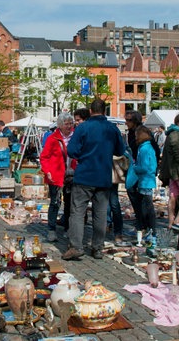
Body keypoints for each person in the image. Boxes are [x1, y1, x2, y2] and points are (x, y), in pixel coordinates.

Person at [64, 99, 125, 260]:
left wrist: (84, 155)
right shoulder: (112, 128)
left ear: (91, 111)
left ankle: (76, 246)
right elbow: (121, 150)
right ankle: (97, 247)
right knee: (100, 213)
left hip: (85, 175)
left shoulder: (83, 127)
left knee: (77, 212)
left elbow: (71, 150)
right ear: (105, 111)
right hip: (103, 176)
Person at [40, 112, 75, 242]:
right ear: (60, 125)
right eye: (66, 124)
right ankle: (51, 229)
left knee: (69, 203)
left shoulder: (75, 136)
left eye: (71, 123)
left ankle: (67, 228)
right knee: (55, 203)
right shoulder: (52, 138)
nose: (69, 126)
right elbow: (44, 157)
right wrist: (47, 171)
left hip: (72, 175)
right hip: (56, 176)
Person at [132, 125, 158, 243]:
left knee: (147, 207)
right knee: (144, 206)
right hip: (146, 180)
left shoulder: (144, 149)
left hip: (145, 180)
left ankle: (152, 230)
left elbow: (146, 167)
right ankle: (147, 229)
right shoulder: (147, 148)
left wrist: (134, 167)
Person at [123, 110, 146, 237]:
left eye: (129, 120)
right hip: (134, 168)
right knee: (133, 194)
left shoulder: (141, 131)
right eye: (126, 120)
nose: (126, 122)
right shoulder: (130, 133)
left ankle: (143, 225)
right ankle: (140, 223)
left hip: (140, 169)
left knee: (141, 197)